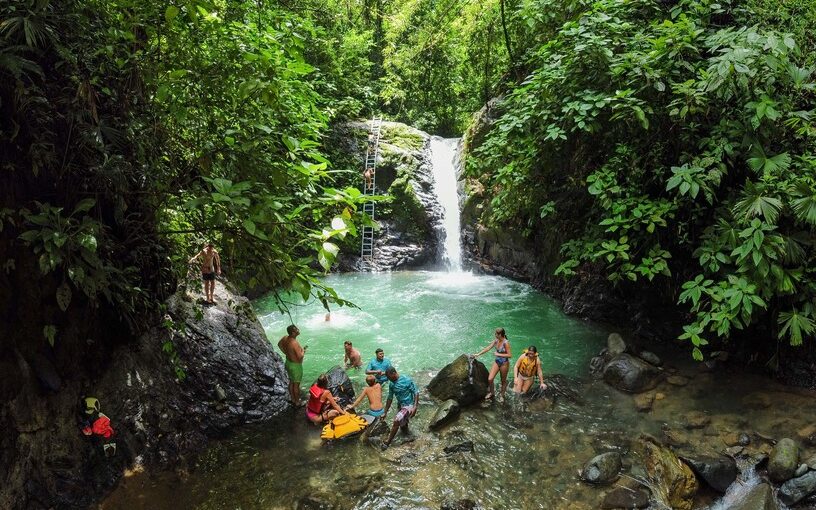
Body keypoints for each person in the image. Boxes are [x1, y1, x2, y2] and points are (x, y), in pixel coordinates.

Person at [381, 367, 419, 449]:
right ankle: (409, 437)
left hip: (409, 405)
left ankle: (388, 442)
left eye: (389, 377)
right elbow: (390, 398)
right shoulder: (391, 384)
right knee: (403, 426)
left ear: (394, 373)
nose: (389, 380)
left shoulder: (407, 380)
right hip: (400, 405)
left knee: (397, 420)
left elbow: (416, 392)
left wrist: (415, 406)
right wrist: (385, 412)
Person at [472, 327, 512, 401]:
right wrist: (478, 354)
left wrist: (498, 354)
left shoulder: (506, 343)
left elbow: (509, 355)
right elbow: (488, 348)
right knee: (490, 379)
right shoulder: (496, 341)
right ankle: (492, 392)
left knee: (503, 381)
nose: (495, 335)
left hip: (504, 363)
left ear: (500, 334)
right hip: (497, 362)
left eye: (496, 334)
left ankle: (502, 395)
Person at [278, 325, 307, 405]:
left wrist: (286, 353)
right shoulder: (294, 342)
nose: (298, 330)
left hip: (288, 362)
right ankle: (297, 402)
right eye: (296, 329)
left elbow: (279, 344)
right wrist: (303, 351)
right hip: (295, 366)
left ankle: (293, 399)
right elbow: (300, 356)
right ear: (293, 333)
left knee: (291, 382)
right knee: (296, 385)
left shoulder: (285, 338)